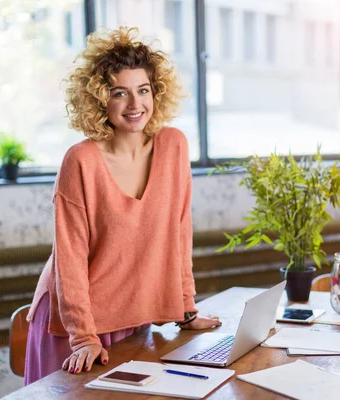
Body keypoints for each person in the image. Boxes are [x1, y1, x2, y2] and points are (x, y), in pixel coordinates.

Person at [23, 26, 221, 385]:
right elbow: (69, 258)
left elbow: (179, 233)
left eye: (143, 90)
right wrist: (83, 335)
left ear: (156, 93)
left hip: (133, 316)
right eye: (120, 93)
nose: (135, 105)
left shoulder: (173, 146)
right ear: (100, 100)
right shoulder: (80, 161)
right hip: (76, 328)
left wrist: (186, 307)